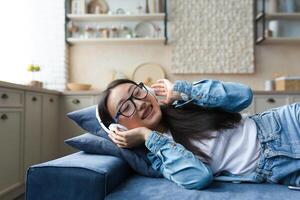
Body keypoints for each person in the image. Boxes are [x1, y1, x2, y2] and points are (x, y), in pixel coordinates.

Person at [97, 78, 300, 190]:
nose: (140, 103)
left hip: (286, 124)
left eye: (138, 92)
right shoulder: (160, 158)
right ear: (119, 129)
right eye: (126, 106)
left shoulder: (182, 102)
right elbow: (199, 177)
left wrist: (184, 91)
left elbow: (243, 96)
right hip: (279, 169)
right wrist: (146, 136)